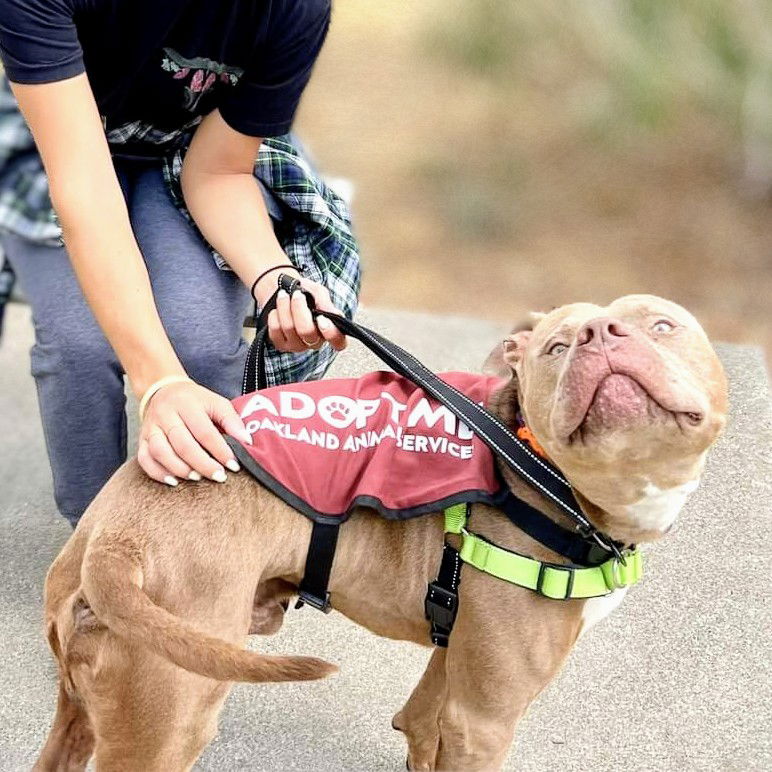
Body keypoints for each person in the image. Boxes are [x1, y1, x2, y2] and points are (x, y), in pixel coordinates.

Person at [0, 0, 360, 527]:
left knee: (200, 342)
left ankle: (194, 541)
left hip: (188, 147)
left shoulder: (292, 10)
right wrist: (159, 382)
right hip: (57, 145)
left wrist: (274, 278)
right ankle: (99, 544)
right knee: (80, 346)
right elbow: (84, 185)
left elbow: (219, 172)